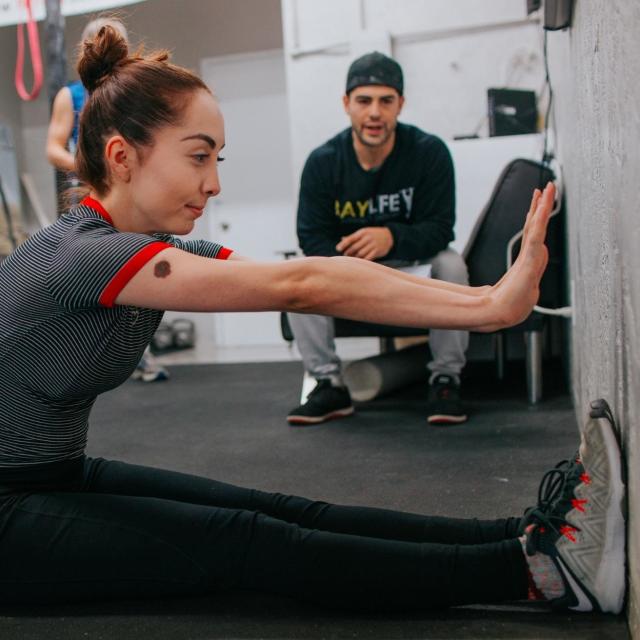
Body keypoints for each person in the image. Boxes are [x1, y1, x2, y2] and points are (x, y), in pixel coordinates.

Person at [0, 25, 625, 614]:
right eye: (198, 157)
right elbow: (302, 285)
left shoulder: (137, 247)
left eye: (219, 159)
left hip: (53, 476)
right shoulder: (85, 255)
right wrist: (491, 308)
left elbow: (318, 276)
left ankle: (527, 535)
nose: (213, 183)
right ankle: (545, 575)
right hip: (11, 510)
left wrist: (489, 299)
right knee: (243, 541)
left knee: (280, 510)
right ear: (122, 155)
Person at [286, 51, 469, 427]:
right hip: (348, 268)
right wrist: (351, 266)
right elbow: (311, 236)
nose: (374, 112)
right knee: (293, 271)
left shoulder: (428, 152)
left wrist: (390, 237)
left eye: (386, 101)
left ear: (400, 104)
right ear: (346, 104)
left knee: (452, 264)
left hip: (408, 264)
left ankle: (445, 379)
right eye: (364, 101)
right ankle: (328, 383)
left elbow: (440, 228)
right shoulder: (323, 162)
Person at [45, 16, 168, 383]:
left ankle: (137, 354)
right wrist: (90, 168)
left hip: (131, 192)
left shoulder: (135, 91)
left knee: (138, 265)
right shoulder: (71, 96)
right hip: (89, 195)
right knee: (89, 272)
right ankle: (84, 355)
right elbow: (53, 148)